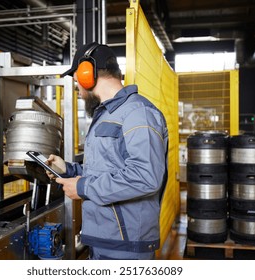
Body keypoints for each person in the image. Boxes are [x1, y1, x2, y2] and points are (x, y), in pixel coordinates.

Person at [46, 42, 168, 260]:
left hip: (126, 245)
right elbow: (107, 168)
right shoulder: (108, 114)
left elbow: (146, 176)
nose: (77, 87)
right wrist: (68, 169)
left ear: (87, 74)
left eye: (76, 80)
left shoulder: (138, 113)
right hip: (106, 238)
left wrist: (82, 187)